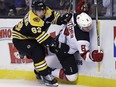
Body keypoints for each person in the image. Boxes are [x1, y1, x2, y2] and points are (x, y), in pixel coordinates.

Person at [12, 0, 72, 86]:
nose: (42, 12)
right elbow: (43, 39)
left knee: (42, 51)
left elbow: (54, 17)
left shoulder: (46, 11)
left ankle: (38, 71)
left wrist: (62, 19)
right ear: (34, 10)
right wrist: (56, 44)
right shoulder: (32, 20)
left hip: (31, 37)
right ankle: (45, 75)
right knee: (37, 51)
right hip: (21, 40)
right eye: (39, 11)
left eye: (43, 10)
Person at [48, 12, 103, 81]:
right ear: (80, 26)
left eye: (89, 26)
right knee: (72, 77)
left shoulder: (74, 17)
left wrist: (81, 7)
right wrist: (93, 57)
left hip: (59, 42)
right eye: (86, 27)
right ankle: (46, 72)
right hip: (61, 49)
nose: (88, 29)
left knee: (72, 77)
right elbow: (85, 56)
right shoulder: (82, 40)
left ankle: (46, 70)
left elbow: (75, 12)